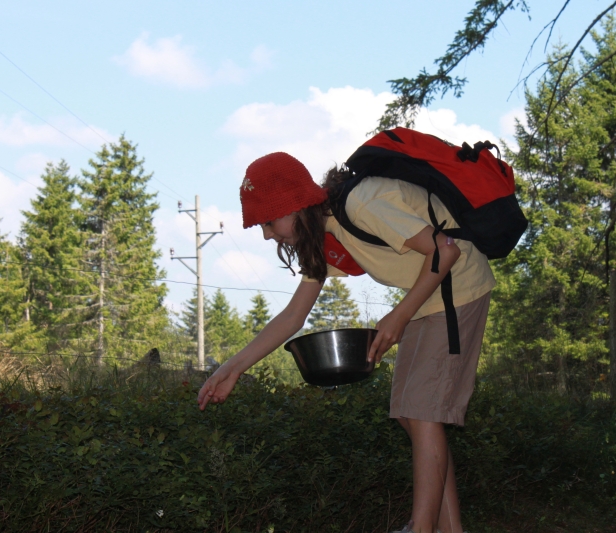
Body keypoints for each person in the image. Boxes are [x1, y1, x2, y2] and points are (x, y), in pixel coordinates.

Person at [197, 151, 493, 533]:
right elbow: (293, 316)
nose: (267, 234)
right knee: (411, 414)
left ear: (294, 205)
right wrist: (231, 368)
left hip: (457, 289)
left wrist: (398, 315)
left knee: (423, 414)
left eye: (268, 222)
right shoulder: (325, 233)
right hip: (428, 299)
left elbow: (446, 249)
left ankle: (420, 528)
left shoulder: (361, 205)